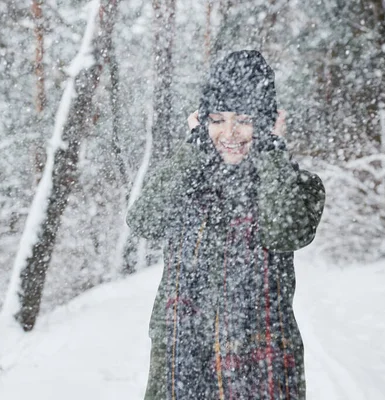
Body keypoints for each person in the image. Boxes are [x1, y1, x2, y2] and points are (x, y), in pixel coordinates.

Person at [127, 50, 326, 400]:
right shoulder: (187, 183)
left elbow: (284, 232)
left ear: (267, 122)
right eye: (218, 119)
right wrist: (193, 150)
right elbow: (144, 220)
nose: (230, 132)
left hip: (261, 370)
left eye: (245, 120)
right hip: (182, 366)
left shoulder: (297, 185)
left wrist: (271, 152)